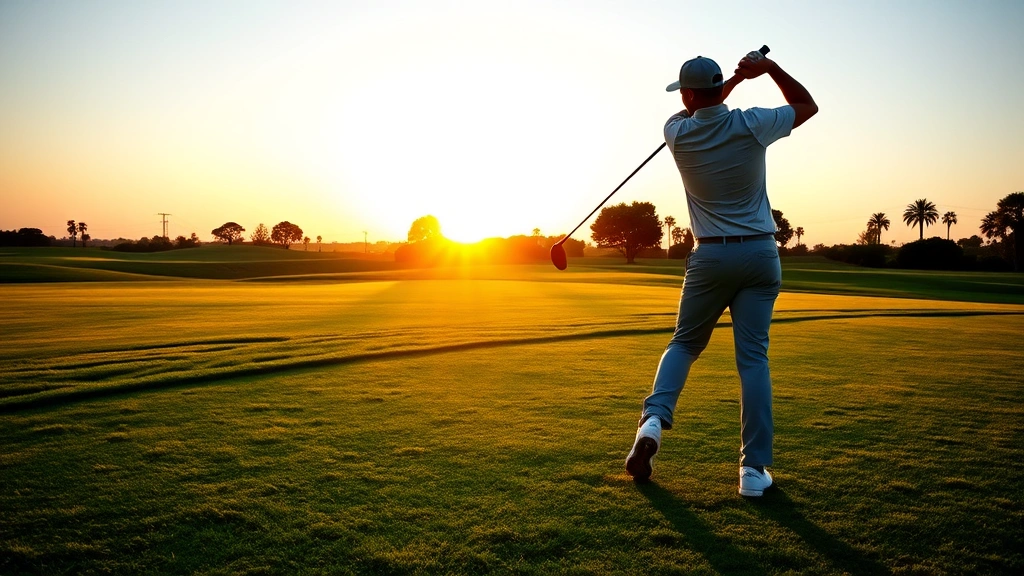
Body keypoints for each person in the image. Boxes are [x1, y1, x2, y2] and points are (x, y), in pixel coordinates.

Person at [624, 50, 818, 496]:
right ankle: (753, 473)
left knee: (685, 343)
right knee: (753, 360)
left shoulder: (676, 132)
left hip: (710, 256)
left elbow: (702, 107)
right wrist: (766, 71)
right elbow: (807, 106)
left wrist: (733, 81)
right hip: (760, 253)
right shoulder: (752, 122)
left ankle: (652, 421)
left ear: (689, 94)